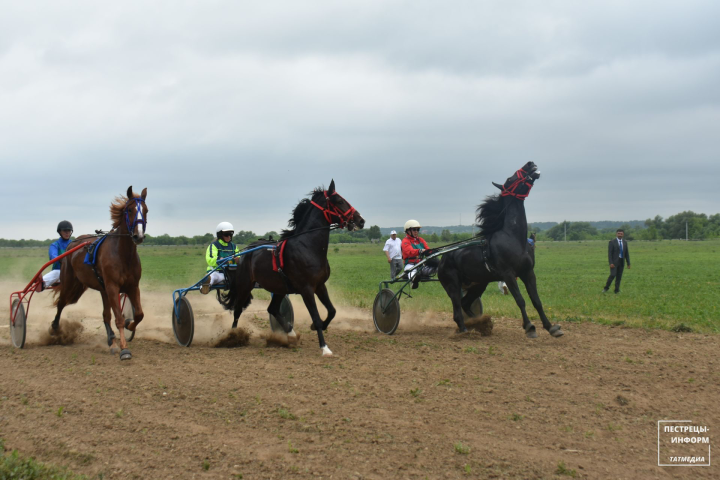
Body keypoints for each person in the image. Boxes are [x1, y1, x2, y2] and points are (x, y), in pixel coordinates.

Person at [201, 222, 240, 294]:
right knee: (213, 277)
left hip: (230, 273)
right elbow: (210, 259)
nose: (229, 236)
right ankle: (204, 286)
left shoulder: (234, 246)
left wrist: (238, 260)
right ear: (220, 235)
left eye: (230, 234)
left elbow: (239, 256)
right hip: (217, 272)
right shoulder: (214, 245)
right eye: (226, 234)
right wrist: (220, 260)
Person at [38, 221, 74, 291]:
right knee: (58, 273)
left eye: (68, 230)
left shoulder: (74, 244)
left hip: (73, 272)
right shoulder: (55, 245)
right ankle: (41, 284)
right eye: (64, 231)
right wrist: (63, 260)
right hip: (59, 271)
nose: (67, 233)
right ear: (60, 232)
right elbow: (53, 257)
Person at [401, 220, 435, 289]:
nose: (416, 231)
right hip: (410, 264)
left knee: (437, 266)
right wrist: (420, 251)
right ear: (408, 231)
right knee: (412, 272)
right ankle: (413, 281)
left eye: (418, 229)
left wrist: (432, 251)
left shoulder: (421, 240)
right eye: (414, 229)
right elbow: (410, 251)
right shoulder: (405, 241)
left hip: (421, 264)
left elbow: (427, 249)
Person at [603, 229, 631, 294]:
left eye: (621, 234)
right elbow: (609, 253)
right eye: (618, 233)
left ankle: (616, 290)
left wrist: (628, 263)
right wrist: (611, 262)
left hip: (621, 262)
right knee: (612, 275)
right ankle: (606, 288)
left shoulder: (625, 242)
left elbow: (626, 253)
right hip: (614, 262)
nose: (620, 235)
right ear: (616, 234)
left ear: (623, 234)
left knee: (619, 276)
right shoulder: (612, 242)